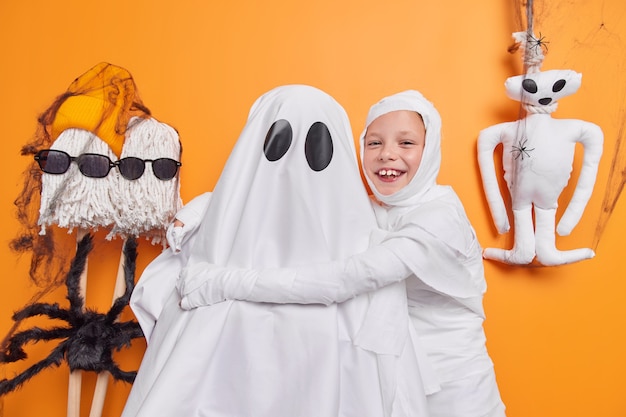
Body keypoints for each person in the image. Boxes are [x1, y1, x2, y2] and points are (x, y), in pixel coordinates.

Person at [177, 90, 507, 417]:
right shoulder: (381, 206)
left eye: (406, 143)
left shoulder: (439, 219)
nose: (387, 154)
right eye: (374, 143)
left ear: (431, 148)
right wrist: (197, 212)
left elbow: (346, 279)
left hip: (456, 389)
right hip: (398, 381)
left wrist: (221, 282)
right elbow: (287, 192)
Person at [123, 85, 429, 417]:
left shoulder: (371, 235)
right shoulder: (227, 227)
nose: (294, 161)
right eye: (279, 144)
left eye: (314, 144)